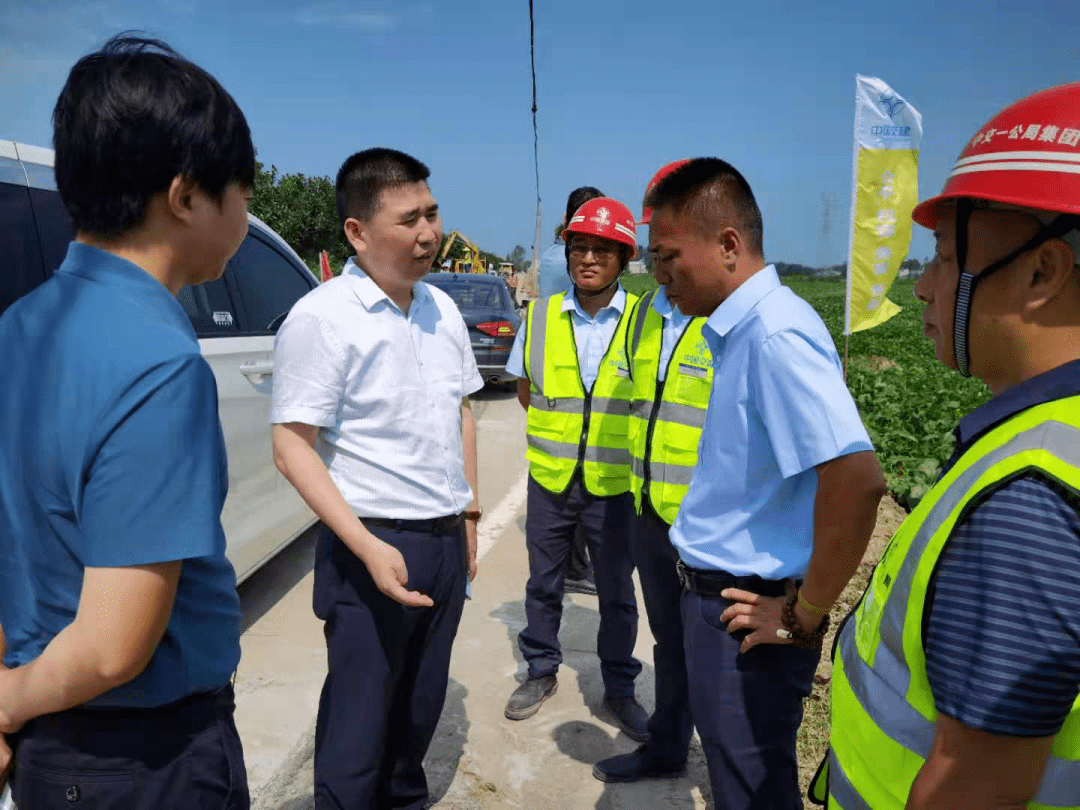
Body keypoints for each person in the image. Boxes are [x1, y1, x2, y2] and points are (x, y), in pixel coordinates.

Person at [0, 36, 253, 808]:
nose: (246, 210)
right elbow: (114, 648)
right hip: (143, 759)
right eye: (241, 189)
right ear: (184, 196)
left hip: (52, 742)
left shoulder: (17, 326)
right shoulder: (160, 364)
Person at [817, 84, 1080, 810]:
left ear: (1041, 271)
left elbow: (977, 784)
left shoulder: (1030, 497)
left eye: (940, 257)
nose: (926, 288)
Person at [645, 158, 886, 808]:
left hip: (747, 618)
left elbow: (858, 478)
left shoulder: (774, 336)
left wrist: (806, 615)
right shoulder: (741, 333)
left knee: (752, 788)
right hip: (721, 605)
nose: (660, 276)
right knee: (735, 777)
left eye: (669, 257)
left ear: (728, 243)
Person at [271, 148, 482, 810]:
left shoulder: (441, 310)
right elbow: (290, 444)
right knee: (359, 728)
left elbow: (462, 412)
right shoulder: (323, 317)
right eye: (408, 219)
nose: (428, 233)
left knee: (418, 713)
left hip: (443, 543)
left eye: (432, 213)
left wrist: (469, 519)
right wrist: (364, 545)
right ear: (357, 233)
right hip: (372, 546)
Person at [503, 197, 648, 739]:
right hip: (551, 480)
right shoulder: (539, 316)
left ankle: (619, 687)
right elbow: (526, 392)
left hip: (614, 487)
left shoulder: (646, 321)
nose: (589, 258)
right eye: (579, 248)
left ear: (623, 258)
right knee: (543, 583)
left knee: (616, 592)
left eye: (602, 250)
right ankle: (540, 670)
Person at [592, 160, 709, 783]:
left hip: (713, 524)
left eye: (668, 246)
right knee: (668, 643)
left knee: (718, 653)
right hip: (650, 512)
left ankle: (731, 764)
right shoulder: (644, 314)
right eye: (653, 246)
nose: (659, 263)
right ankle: (668, 747)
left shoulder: (736, 321)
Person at [533, 186, 609, 596]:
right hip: (568, 373)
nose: (591, 256)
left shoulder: (550, 257)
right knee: (575, 485)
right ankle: (577, 567)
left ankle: (573, 564)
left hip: (557, 377)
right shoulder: (566, 265)